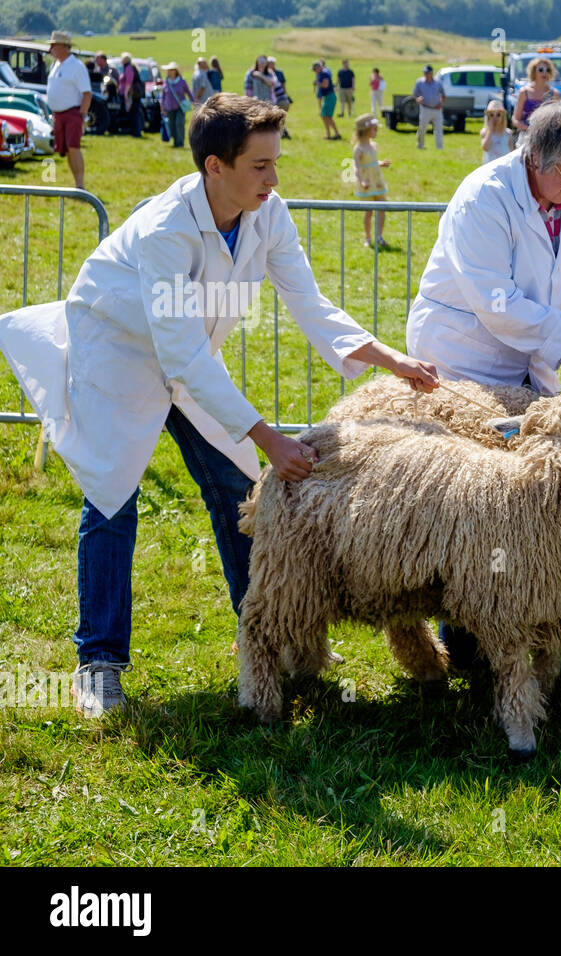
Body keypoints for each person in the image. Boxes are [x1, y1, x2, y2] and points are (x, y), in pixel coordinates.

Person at [0, 93, 440, 718]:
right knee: (112, 497)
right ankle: (98, 664)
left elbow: (309, 303)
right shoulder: (166, 231)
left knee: (237, 490)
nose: (275, 177)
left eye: (275, 162)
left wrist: (388, 358)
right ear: (215, 167)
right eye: (260, 165)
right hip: (118, 352)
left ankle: (265, 634)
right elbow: (178, 353)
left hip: (190, 360)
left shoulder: (269, 213)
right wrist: (267, 436)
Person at [405, 96, 561, 669]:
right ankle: (463, 632)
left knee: (522, 493)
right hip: (466, 357)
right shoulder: (485, 198)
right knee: (467, 493)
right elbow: (498, 305)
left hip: (530, 361)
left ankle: (529, 622)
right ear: (532, 152)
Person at [46, 30, 91, 189]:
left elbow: (86, 93)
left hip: (72, 112)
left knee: (74, 147)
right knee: (64, 150)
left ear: (64, 47)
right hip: (59, 114)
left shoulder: (76, 66)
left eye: (54, 46)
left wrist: (82, 116)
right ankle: (77, 182)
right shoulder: (56, 65)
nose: (51, 49)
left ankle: (80, 184)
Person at [352, 113, 390, 248]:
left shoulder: (374, 145)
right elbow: (357, 167)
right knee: (369, 212)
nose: (376, 132)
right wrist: (362, 181)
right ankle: (368, 237)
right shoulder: (358, 149)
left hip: (377, 182)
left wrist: (380, 163)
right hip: (367, 184)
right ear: (366, 130)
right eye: (374, 129)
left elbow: (372, 162)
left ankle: (379, 235)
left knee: (382, 207)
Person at [511, 56, 560, 135]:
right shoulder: (524, 92)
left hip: (547, 137)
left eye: (548, 70)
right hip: (526, 136)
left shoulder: (555, 94)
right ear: (533, 72)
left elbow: (559, 120)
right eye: (541, 70)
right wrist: (530, 130)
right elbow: (515, 120)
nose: (544, 73)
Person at [159, 62, 194, 149]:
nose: (169, 72)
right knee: (172, 125)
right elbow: (163, 96)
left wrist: (191, 101)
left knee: (179, 123)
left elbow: (189, 93)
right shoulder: (166, 82)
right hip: (169, 108)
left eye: (171, 70)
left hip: (180, 108)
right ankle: (175, 142)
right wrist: (162, 107)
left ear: (175, 71)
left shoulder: (182, 81)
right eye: (168, 70)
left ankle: (180, 142)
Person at [412, 64, 445, 150]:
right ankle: (420, 145)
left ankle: (439, 147)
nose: (426, 74)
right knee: (422, 128)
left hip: (437, 109)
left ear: (432, 73)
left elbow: (443, 94)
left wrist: (441, 104)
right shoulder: (419, 82)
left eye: (428, 73)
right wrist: (417, 99)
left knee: (439, 129)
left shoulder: (438, 82)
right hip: (425, 108)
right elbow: (415, 94)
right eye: (425, 73)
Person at [313, 60, 341, 140]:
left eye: (315, 69)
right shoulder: (320, 74)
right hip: (327, 97)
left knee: (327, 116)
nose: (314, 72)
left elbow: (325, 85)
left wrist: (317, 83)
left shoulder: (324, 74)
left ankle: (336, 134)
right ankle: (329, 134)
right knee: (324, 116)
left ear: (318, 68)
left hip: (330, 96)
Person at [120, 52, 145, 137]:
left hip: (133, 94)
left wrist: (126, 94)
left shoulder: (129, 68)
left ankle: (136, 132)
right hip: (134, 93)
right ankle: (134, 131)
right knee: (134, 113)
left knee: (134, 113)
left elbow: (129, 82)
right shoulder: (129, 67)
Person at [267, 56, 291, 138]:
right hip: (274, 98)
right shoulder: (267, 73)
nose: (271, 65)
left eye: (272, 63)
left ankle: (283, 133)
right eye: (269, 63)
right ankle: (283, 133)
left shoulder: (278, 73)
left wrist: (285, 94)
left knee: (279, 118)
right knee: (279, 118)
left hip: (279, 98)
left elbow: (283, 84)